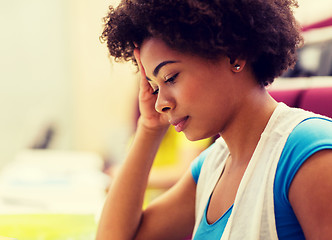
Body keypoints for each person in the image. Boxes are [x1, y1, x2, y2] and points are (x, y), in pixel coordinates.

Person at [96, 0, 332, 239]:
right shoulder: (212, 166)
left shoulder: (308, 152)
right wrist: (149, 127)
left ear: (234, 56)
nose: (160, 103)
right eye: (154, 87)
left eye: (171, 77)